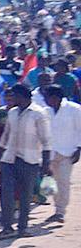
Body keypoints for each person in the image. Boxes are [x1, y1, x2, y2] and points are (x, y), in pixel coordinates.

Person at [0, 83, 52, 238]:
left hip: (29, 159)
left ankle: (22, 227)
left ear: (22, 96)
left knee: (25, 195)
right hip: (9, 158)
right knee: (6, 194)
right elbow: (6, 136)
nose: (10, 98)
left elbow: (46, 141)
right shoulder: (12, 113)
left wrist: (46, 164)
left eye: (14, 95)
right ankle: (7, 227)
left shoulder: (38, 114)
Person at [44, 84, 81, 223]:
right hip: (51, 152)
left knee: (64, 182)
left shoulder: (74, 109)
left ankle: (60, 211)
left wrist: (79, 148)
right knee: (52, 181)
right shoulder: (46, 111)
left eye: (47, 97)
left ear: (55, 97)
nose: (46, 100)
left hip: (68, 151)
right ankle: (57, 207)